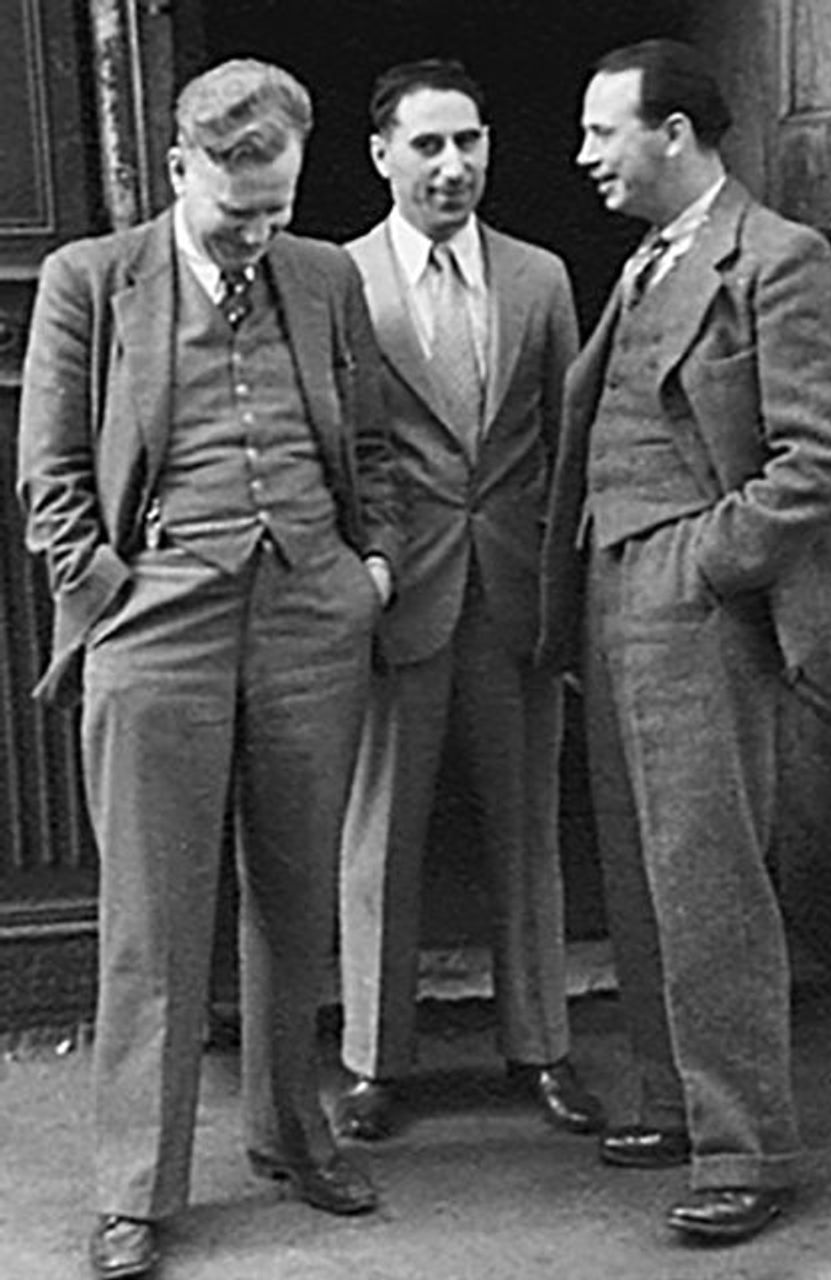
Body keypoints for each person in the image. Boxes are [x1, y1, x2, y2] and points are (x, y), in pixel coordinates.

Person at [18, 58, 400, 1280]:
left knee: (297, 895)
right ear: (180, 167)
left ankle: (294, 1134)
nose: (256, 234)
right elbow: (50, 473)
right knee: (153, 915)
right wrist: (106, 592)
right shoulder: (92, 278)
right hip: (158, 619)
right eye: (236, 212)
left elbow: (371, 440)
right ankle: (135, 1187)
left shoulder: (326, 275)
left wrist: (370, 566)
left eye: (277, 208)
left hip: (310, 612)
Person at [539, 38, 831, 1242]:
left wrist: (703, 560)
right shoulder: (648, 260)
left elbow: (821, 459)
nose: (585, 154)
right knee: (641, 866)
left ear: (674, 134)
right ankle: (678, 1099)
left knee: (708, 875)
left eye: (603, 130)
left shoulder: (778, 259)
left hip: (698, 598)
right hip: (615, 587)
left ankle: (748, 1145)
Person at [335, 57, 602, 1142]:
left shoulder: (540, 277)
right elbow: (337, 449)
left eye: (470, 141)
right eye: (429, 145)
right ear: (380, 155)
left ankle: (542, 1047)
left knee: (528, 827)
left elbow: (569, 444)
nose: (454, 166)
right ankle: (373, 1060)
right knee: (380, 833)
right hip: (398, 593)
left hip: (512, 592)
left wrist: (566, 588)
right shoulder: (338, 280)